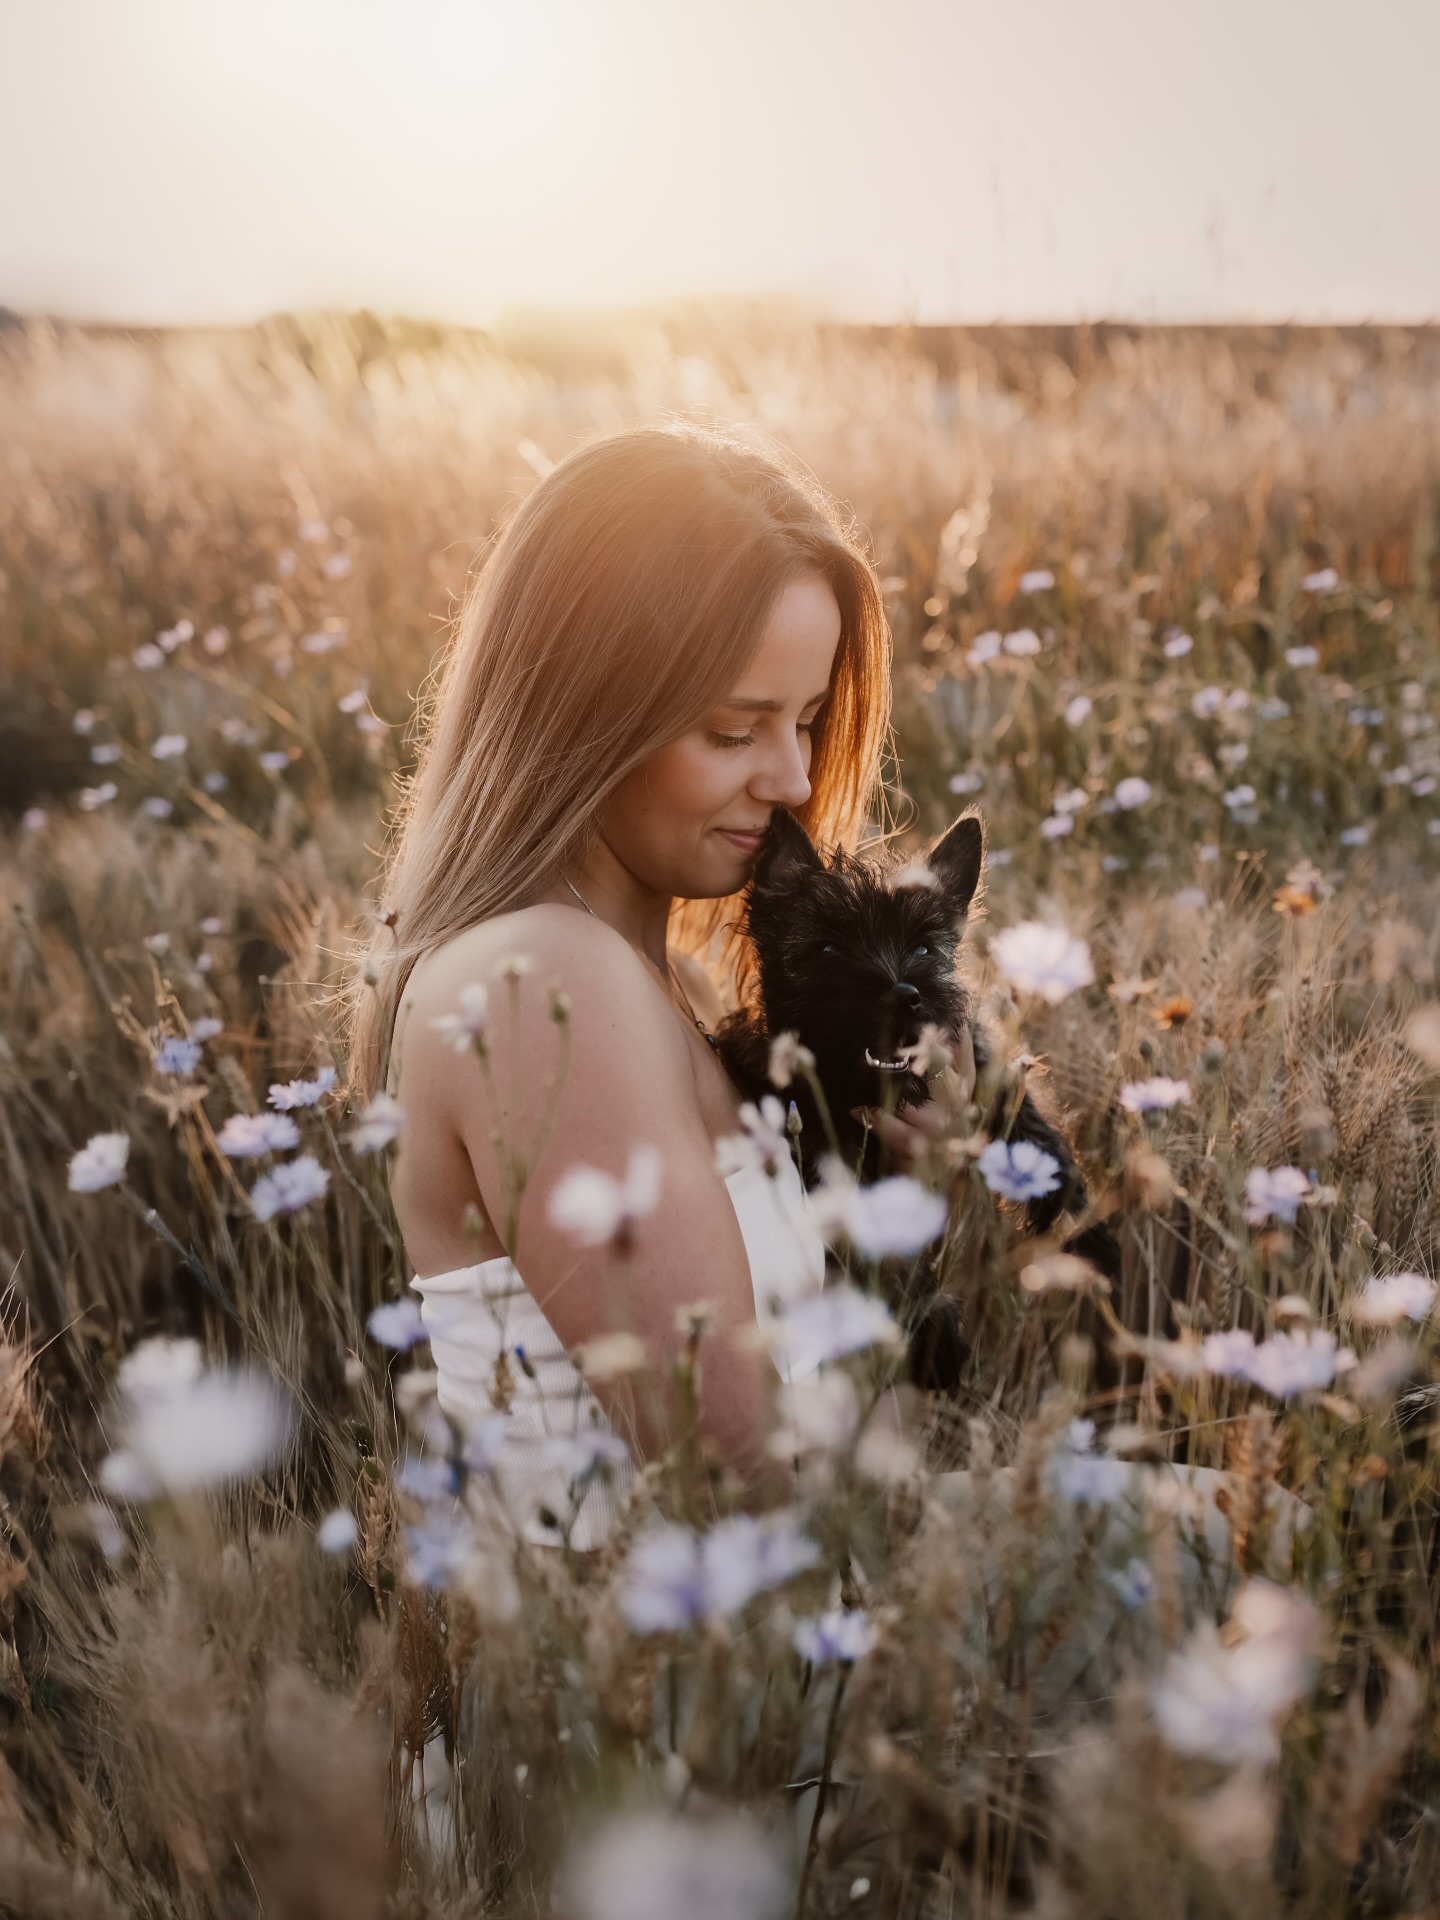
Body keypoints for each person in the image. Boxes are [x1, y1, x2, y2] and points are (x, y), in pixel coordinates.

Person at [342, 425, 975, 1548]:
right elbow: (733, 1478)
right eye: (735, 728)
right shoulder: (548, 982)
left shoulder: (655, 978)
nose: (790, 781)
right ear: (588, 713)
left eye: (811, 721)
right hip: (652, 1704)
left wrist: (909, 1175)